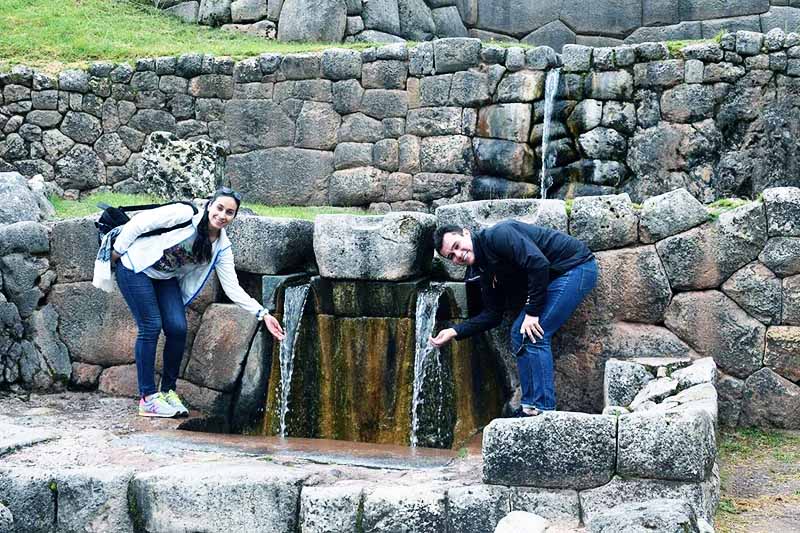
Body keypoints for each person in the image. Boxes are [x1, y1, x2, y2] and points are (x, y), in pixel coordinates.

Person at [99, 187, 286, 418]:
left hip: (164, 277)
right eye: (219, 208)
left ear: (234, 216)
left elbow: (232, 288)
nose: (222, 215)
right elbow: (140, 224)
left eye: (229, 212)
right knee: (151, 326)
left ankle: (167, 391)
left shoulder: (221, 248)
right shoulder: (183, 214)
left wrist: (263, 314)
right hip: (136, 266)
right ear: (210, 205)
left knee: (178, 328)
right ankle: (148, 398)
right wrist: (116, 253)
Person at [429, 220, 597, 416]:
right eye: (452, 256)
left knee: (535, 334)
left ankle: (545, 412)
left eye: (457, 246)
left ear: (466, 233)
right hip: (555, 279)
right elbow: (492, 314)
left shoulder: (499, 235)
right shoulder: (482, 269)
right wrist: (454, 331)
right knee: (519, 334)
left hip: (576, 268)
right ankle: (529, 408)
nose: (458, 255)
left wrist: (532, 312)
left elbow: (538, 263)